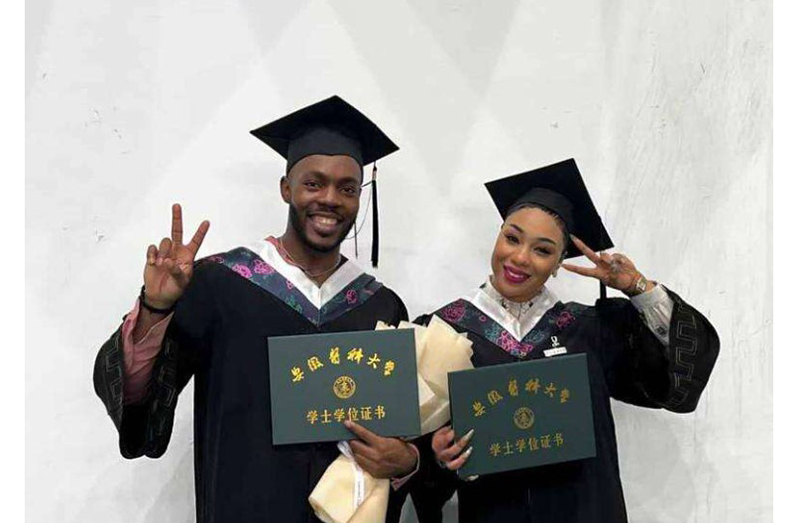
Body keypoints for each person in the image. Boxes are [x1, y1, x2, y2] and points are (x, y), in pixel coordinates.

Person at [93, 95, 420, 523]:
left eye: (347, 188)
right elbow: (144, 400)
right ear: (286, 188)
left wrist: (407, 461)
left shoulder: (380, 304)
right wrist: (155, 307)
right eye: (313, 183)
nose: (330, 199)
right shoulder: (220, 283)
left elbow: (406, 436)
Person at [405, 159, 720, 522]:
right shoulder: (444, 330)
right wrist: (438, 457)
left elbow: (677, 380)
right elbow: (415, 456)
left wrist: (638, 289)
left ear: (558, 262)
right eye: (512, 238)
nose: (520, 258)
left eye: (542, 250)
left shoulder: (593, 329)